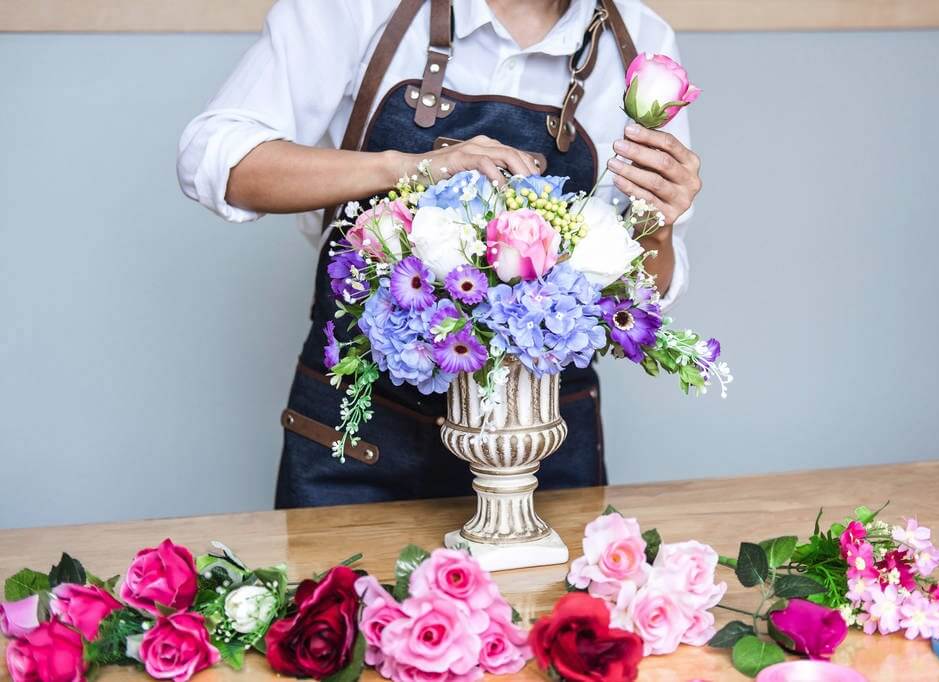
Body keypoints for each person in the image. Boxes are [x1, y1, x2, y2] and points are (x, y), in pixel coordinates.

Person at [176, 0, 703, 509]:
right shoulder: (360, 8)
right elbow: (220, 160)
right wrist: (410, 167)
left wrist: (657, 229)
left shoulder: (641, 42)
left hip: (538, 452)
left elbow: (641, 300)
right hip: (357, 440)